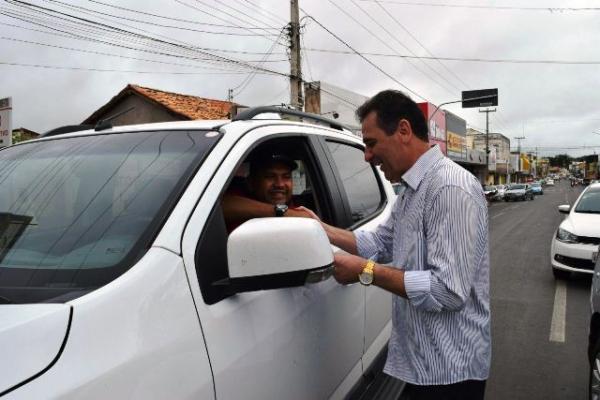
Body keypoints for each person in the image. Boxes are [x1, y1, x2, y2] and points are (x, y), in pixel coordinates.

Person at [306, 90, 490, 400]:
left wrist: (365, 271)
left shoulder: (448, 188)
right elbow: (379, 242)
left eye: (371, 143)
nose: (366, 156)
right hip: (418, 364)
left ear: (403, 130)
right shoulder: (410, 191)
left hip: (448, 373)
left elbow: (447, 291)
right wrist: (319, 228)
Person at [222, 147, 312, 232]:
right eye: (270, 176)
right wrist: (281, 212)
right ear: (251, 182)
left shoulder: (301, 209)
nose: (280, 184)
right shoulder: (239, 205)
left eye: (286, 177)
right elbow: (220, 206)